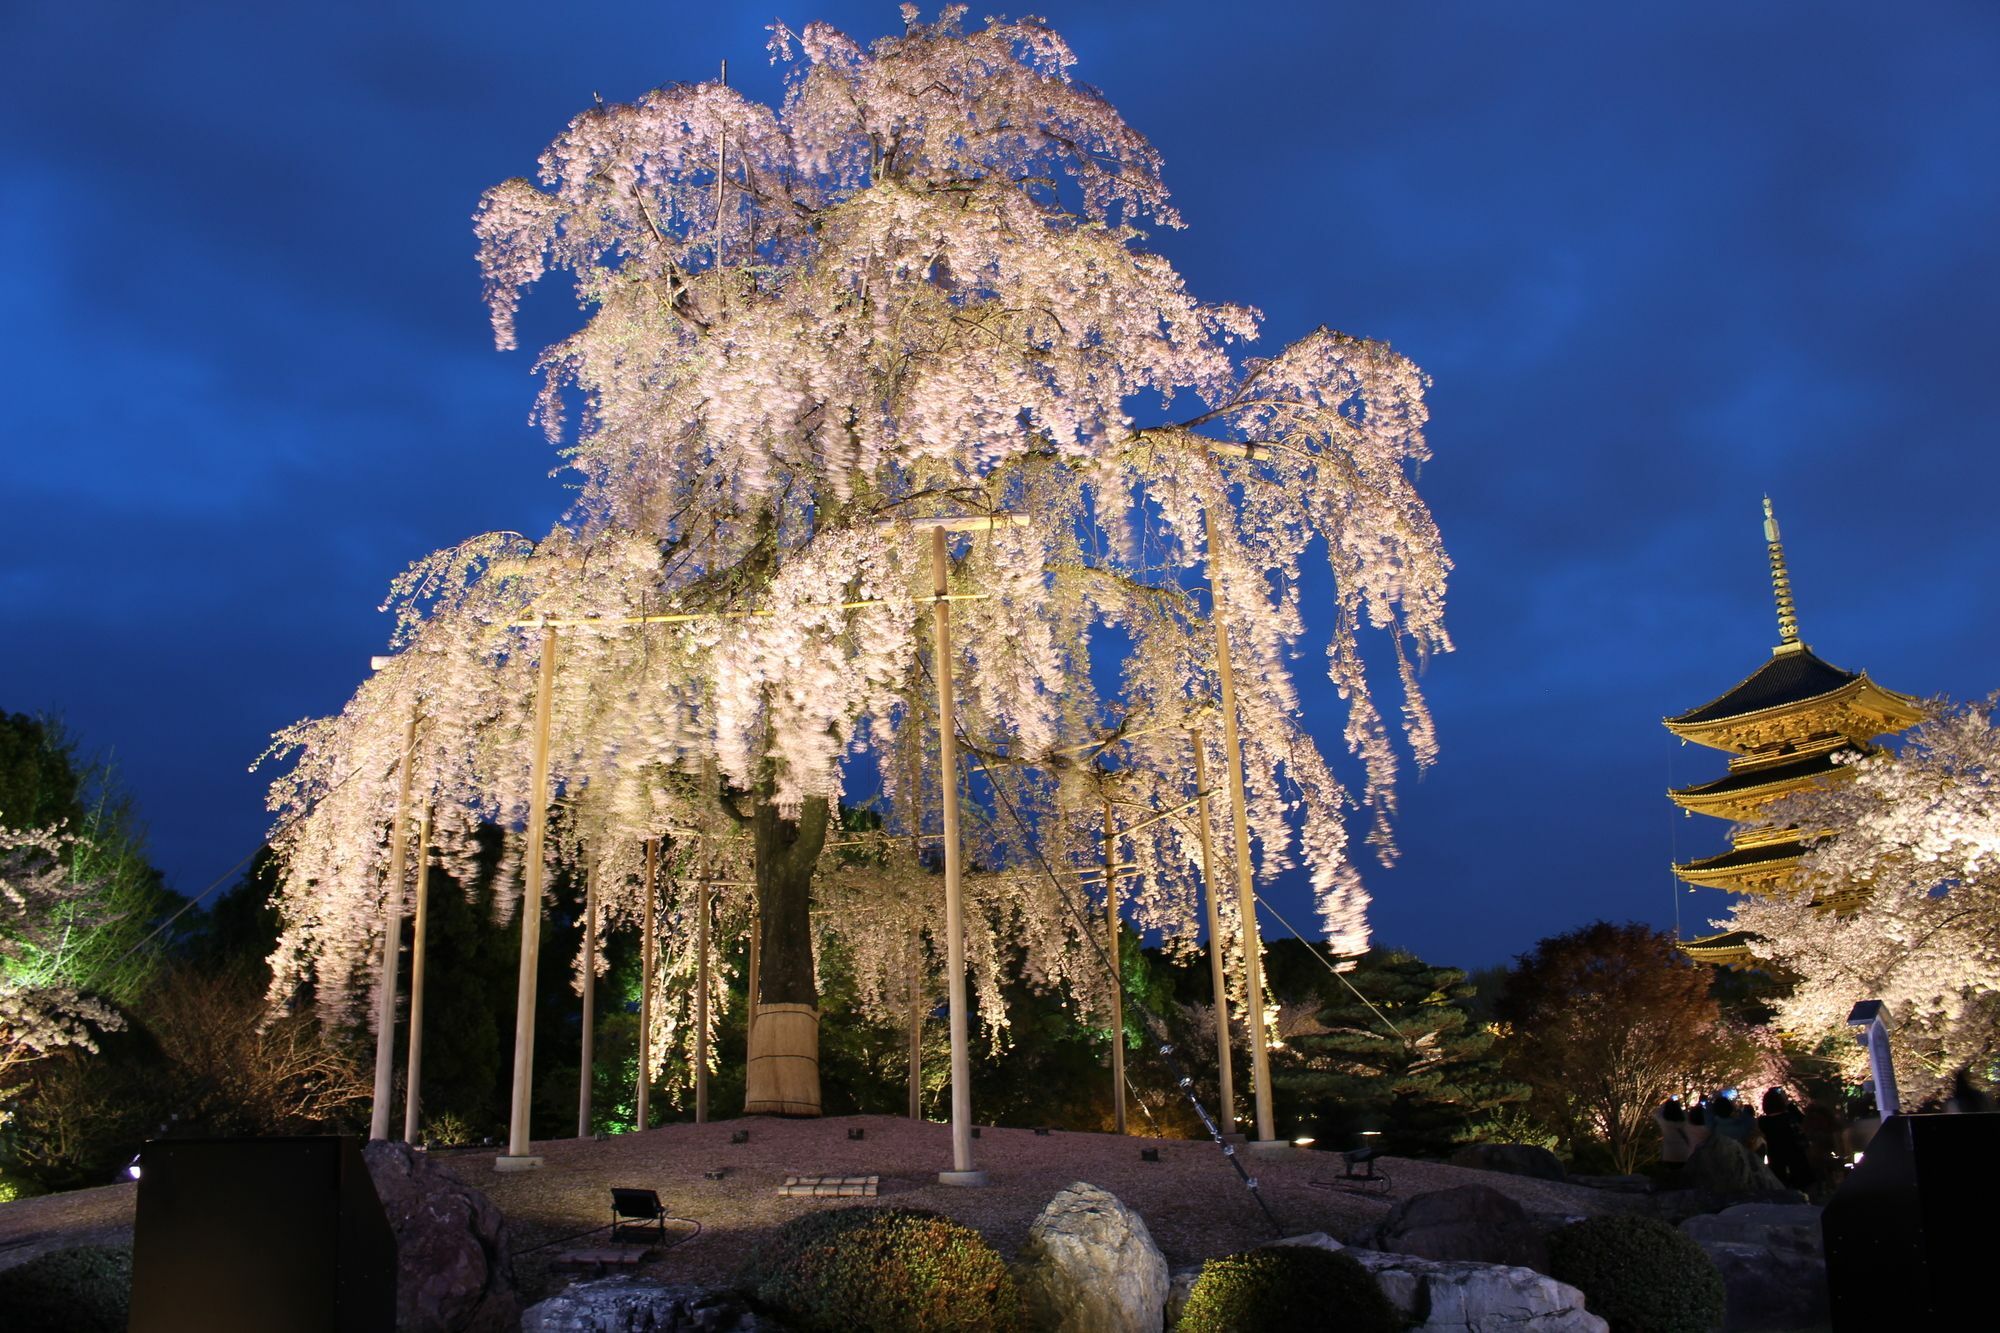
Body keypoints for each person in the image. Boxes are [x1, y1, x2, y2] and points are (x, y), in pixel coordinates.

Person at [1757, 1088, 1813, 1192]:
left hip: (1776, 1160)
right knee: (1803, 1190)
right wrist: (1789, 1103)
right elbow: (1803, 1120)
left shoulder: (1763, 1122)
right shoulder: (1790, 1118)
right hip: (1796, 1158)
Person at [1655, 1097, 1692, 1179]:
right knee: (1682, 1176)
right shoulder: (1685, 1119)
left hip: (1668, 1153)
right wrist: (1677, 1105)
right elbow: (1685, 1112)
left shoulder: (1663, 1121)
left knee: (1671, 1176)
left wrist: (1667, 1102)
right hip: (1684, 1152)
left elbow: (1657, 1112)